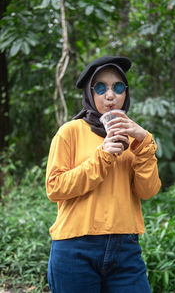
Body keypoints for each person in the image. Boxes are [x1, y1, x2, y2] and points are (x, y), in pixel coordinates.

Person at [46, 56, 161, 293]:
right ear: (90, 93)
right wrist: (102, 156)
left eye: (118, 87)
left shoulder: (134, 137)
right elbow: (55, 188)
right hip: (75, 248)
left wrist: (144, 142)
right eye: (101, 88)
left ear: (125, 93)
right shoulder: (70, 132)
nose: (110, 95)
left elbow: (147, 191)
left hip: (125, 249)